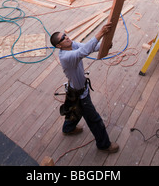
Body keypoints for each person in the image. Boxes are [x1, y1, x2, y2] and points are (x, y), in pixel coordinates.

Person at [50, 24, 119, 154]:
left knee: (74, 109)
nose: (67, 37)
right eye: (63, 38)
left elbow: (86, 47)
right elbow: (84, 52)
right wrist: (100, 33)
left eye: (65, 35)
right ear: (58, 46)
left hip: (75, 89)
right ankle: (104, 145)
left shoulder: (72, 45)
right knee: (95, 120)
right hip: (80, 93)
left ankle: (68, 129)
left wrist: (103, 47)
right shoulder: (66, 57)